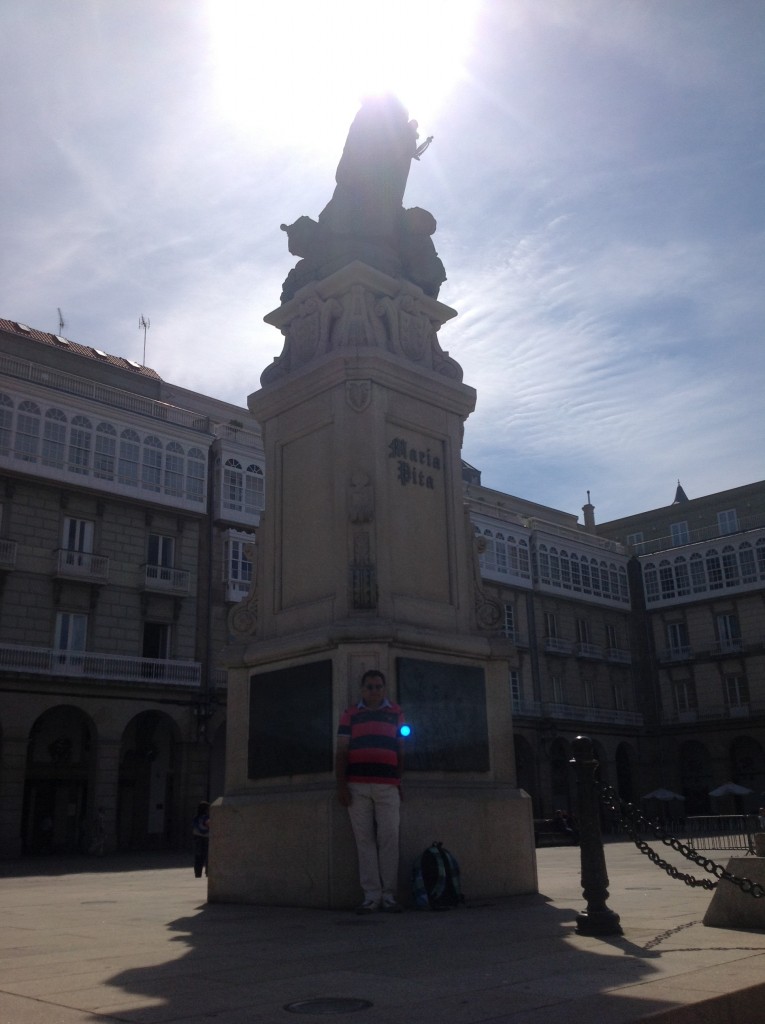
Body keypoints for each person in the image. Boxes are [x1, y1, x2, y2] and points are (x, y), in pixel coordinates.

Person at [336, 669, 405, 914]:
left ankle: (389, 895)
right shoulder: (350, 714)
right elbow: (342, 751)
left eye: (378, 686)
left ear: (384, 689)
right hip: (357, 784)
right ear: (362, 689)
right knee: (364, 841)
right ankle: (371, 895)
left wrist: (399, 781)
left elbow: (401, 749)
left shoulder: (396, 713)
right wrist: (341, 785)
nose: (374, 691)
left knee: (390, 838)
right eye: (369, 687)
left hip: (388, 784)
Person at [192, 801, 210, 878]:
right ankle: (208, 872)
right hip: (206, 838)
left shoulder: (196, 817)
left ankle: (198, 873)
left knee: (198, 856)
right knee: (207, 856)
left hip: (197, 838)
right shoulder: (207, 817)